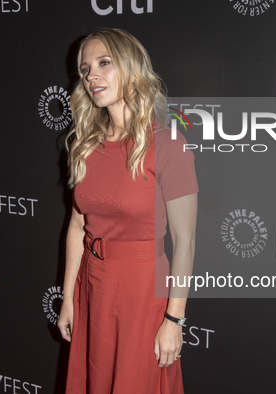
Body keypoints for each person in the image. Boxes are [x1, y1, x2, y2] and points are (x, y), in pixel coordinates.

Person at [57, 28, 198, 394]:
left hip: (142, 291)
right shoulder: (82, 145)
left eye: (104, 63)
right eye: (85, 69)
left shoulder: (169, 145)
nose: (91, 76)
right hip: (93, 284)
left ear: (132, 70)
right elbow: (76, 226)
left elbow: (185, 241)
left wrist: (174, 319)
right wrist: (69, 297)